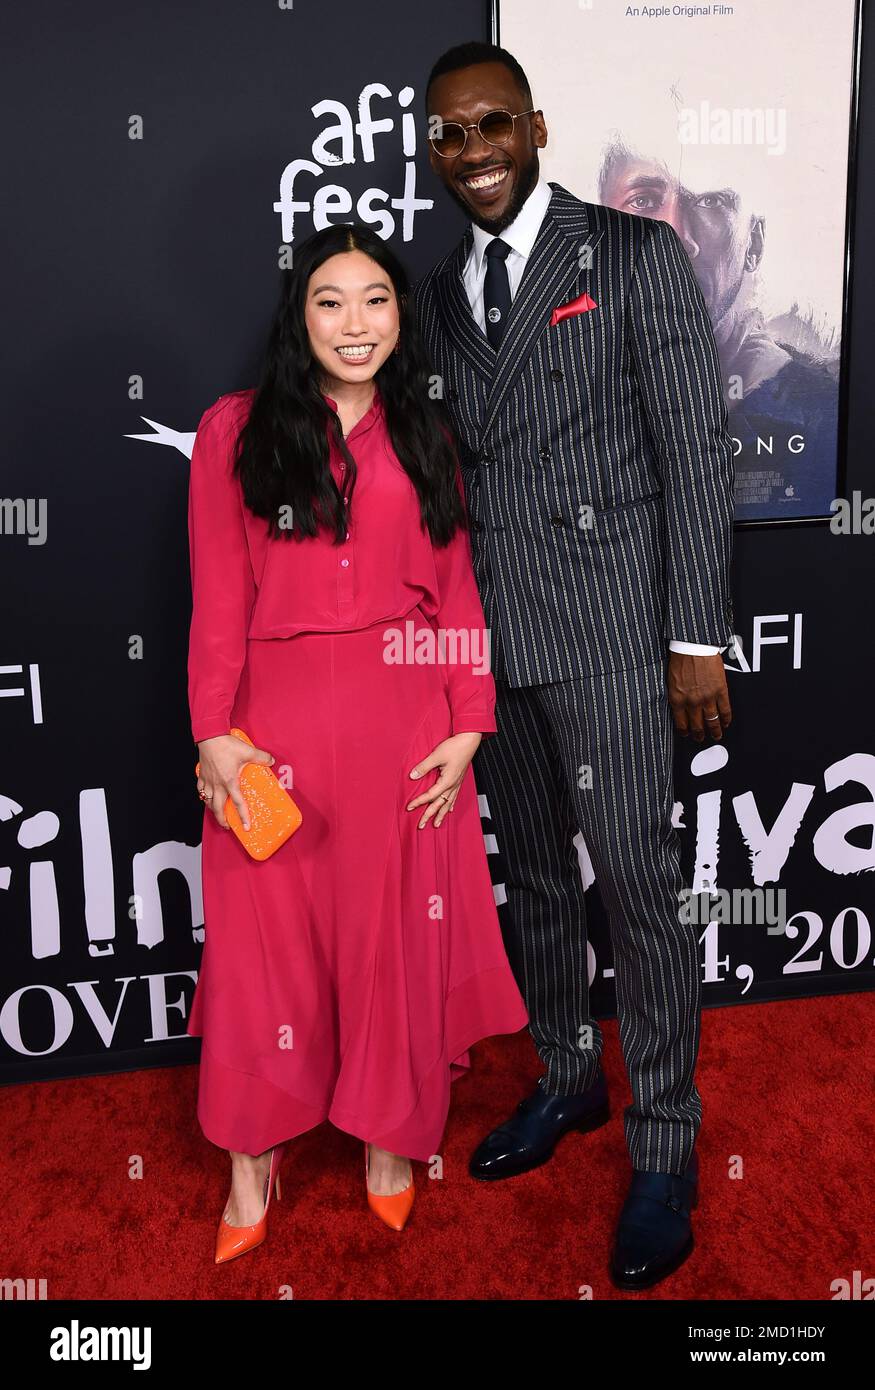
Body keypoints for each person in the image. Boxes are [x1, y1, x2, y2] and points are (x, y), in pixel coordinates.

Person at [414, 41, 735, 1289]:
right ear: (432, 150)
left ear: (534, 126)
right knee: (534, 880)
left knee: (640, 894)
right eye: (450, 134)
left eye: (492, 124)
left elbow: (694, 449)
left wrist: (692, 637)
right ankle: (567, 1079)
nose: (474, 151)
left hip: (610, 631)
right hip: (494, 644)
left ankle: (663, 1142)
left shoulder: (631, 253)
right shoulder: (437, 294)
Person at [186, 221, 528, 1263]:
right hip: (271, 733)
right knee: (261, 955)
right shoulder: (235, 429)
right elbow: (216, 596)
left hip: (403, 728)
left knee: (391, 942)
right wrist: (214, 736)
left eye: (374, 299)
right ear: (299, 315)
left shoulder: (425, 430)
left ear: (398, 314)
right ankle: (254, 1156)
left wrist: (470, 719)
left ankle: (389, 1141)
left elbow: (459, 585)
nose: (354, 322)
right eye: (330, 300)